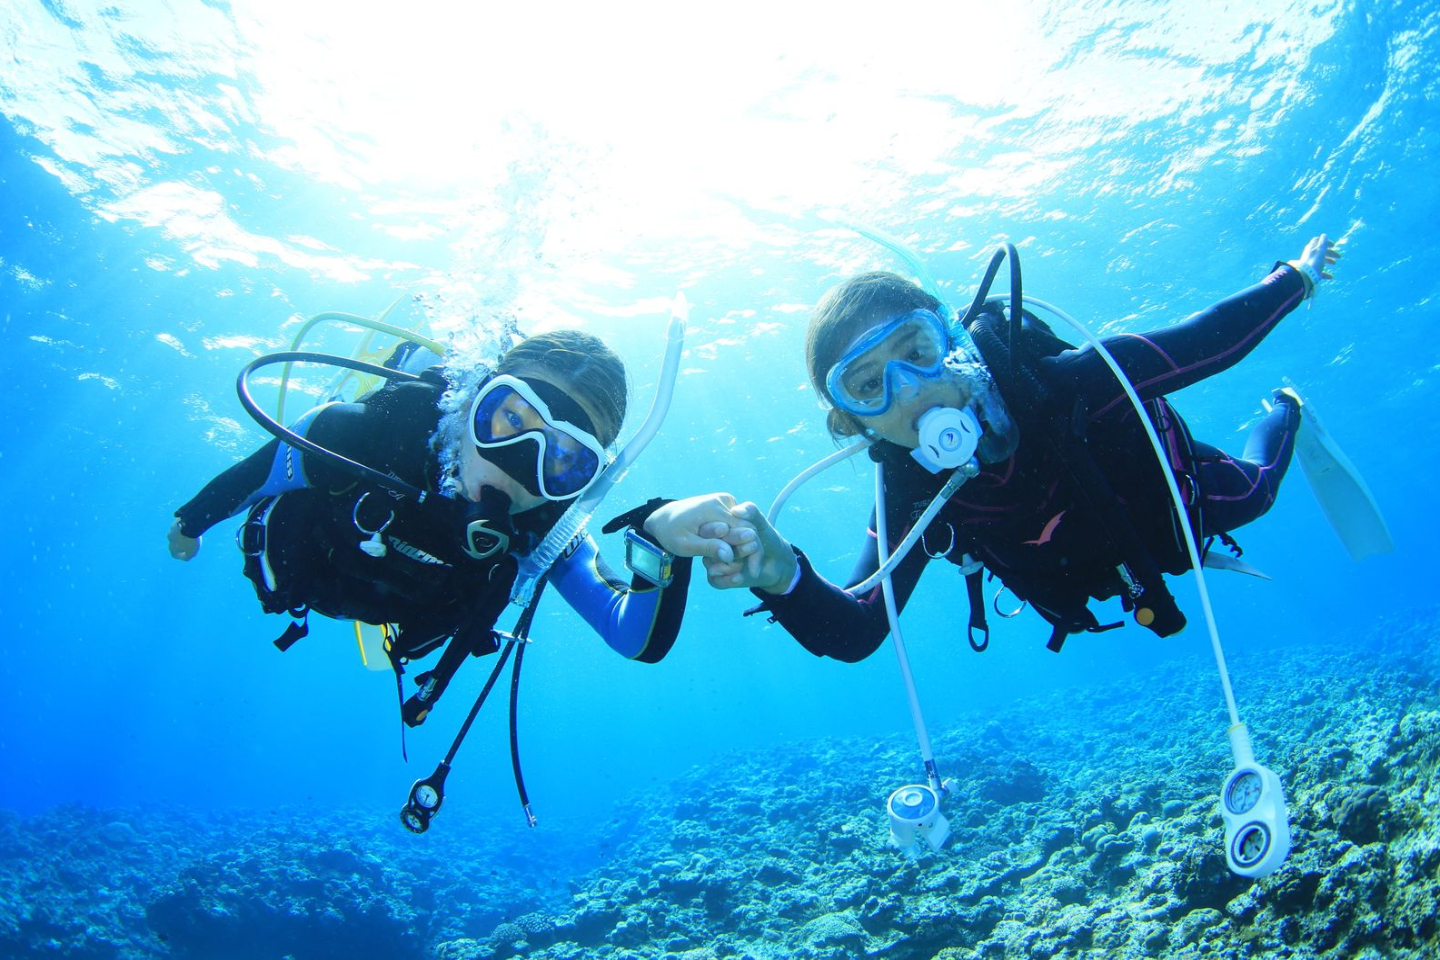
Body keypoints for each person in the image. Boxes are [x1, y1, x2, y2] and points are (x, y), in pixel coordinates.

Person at [699, 234, 1342, 659]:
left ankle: (1288, 409)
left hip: (1167, 504)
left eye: (916, 352)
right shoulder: (912, 493)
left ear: (950, 341)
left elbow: (1204, 342)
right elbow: (859, 626)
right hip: (1092, 571)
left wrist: (1296, 279)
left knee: (1256, 493)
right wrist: (783, 577)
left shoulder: (1060, 386)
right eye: (869, 387)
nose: (909, 392)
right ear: (853, 422)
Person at [169, 329, 753, 724]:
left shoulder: (546, 533)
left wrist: (657, 548)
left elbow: (631, 638)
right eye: (510, 418)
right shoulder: (357, 436)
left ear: (582, 480)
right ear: (474, 401)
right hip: (309, 565)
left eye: (564, 459)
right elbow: (253, 478)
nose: (518, 461)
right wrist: (190, 524)